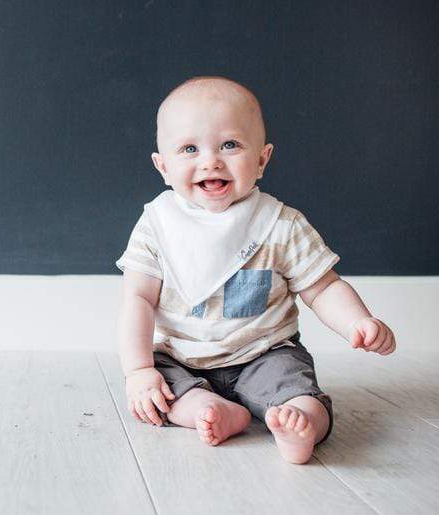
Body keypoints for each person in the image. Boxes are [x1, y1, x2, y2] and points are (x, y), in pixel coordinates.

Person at [115, 76, 396, 464]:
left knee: (296, 389)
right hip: (180, 356)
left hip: (264, 354)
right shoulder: (157, 226)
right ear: (163, 167)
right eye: (189, 149)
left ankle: (303, 424)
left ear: (262, 159)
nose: (210, 160)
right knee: (162, 393)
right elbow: (138, 298)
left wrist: (357, 322)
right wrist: (139, 370)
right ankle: (207, 411)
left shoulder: (280, 224)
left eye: (229, 145)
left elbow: (324, 287)